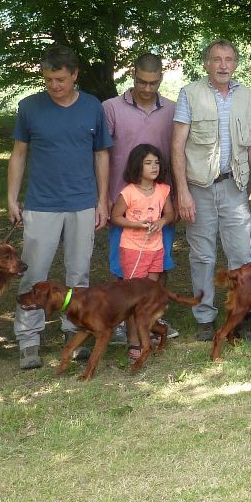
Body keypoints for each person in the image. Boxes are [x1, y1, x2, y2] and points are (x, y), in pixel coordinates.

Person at [7, 44, 112, 370]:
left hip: (82, 202)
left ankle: (74, 331)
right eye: (49, 79)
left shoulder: (93, 107)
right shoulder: (29, 107)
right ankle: (28, 340)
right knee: (33, 274)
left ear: (75, 75)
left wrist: (102, 200)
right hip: (42, 204)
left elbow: (101, 155)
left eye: (61, 79)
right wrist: (12, 197)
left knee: (78, 274)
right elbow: (19, 153)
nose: (54, 85)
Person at [171, 39, 251, 342]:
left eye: (228, 59)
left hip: (235, 185)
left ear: (235, 63)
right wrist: (182, 191)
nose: (223, 65)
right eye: (216, 60)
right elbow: (177, 145)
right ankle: (204, 317)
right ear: (206, 64)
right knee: (202, 256)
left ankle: (242, 315)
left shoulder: (246, 94)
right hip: (199, 187)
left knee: (241, 253)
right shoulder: (190, 93)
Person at [102, 53, 179, 341]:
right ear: (132, 75)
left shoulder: (172, 109)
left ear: (161, 78)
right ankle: (123, 321)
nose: (147, 89)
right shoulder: (110, 108)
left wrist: (178, 196)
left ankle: (154, 317)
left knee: (160, 262)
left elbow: (178, 153)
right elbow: (101, 154)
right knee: (121, 264)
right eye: (142, 82)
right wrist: (103, 197)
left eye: (154, 83)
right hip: (122, 201)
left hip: (160, 202)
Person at [109, 143, 175, 362]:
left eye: (156, 162)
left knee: (148, 295)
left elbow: (169, 214)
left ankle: (146, 334)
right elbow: (116, 217)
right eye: (148, 163)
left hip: (156, 249)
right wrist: (137, 225)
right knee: (133, 296)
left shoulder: (163, 189)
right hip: (133, 250)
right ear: (138, 166)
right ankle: (133, 340)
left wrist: (161, 222)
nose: (154, 167)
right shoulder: (128, 192)